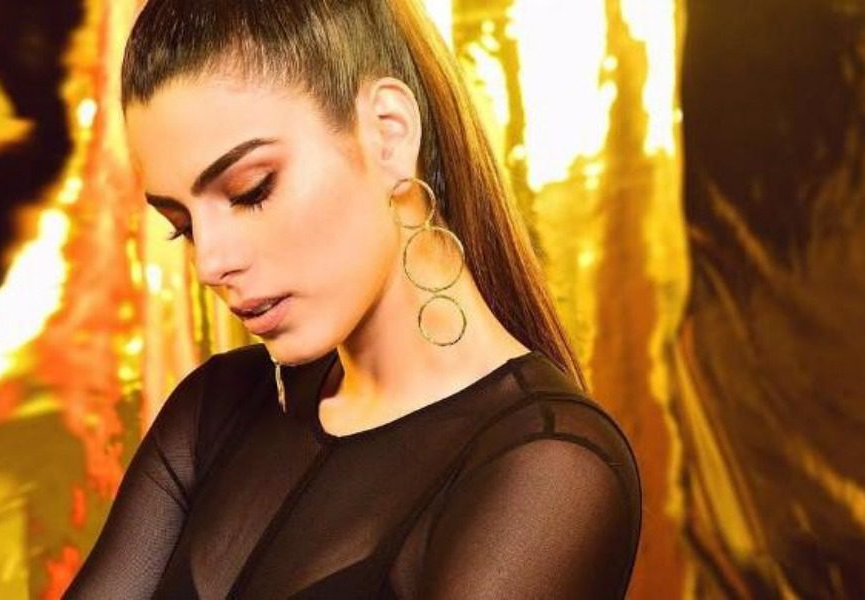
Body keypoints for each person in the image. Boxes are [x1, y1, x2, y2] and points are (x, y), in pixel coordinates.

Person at [64, 0, 642, 598]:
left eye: (251, 191)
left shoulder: (545, 466)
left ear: (388, 132)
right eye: (181, 225)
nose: (210, 263)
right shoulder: (213, 411)